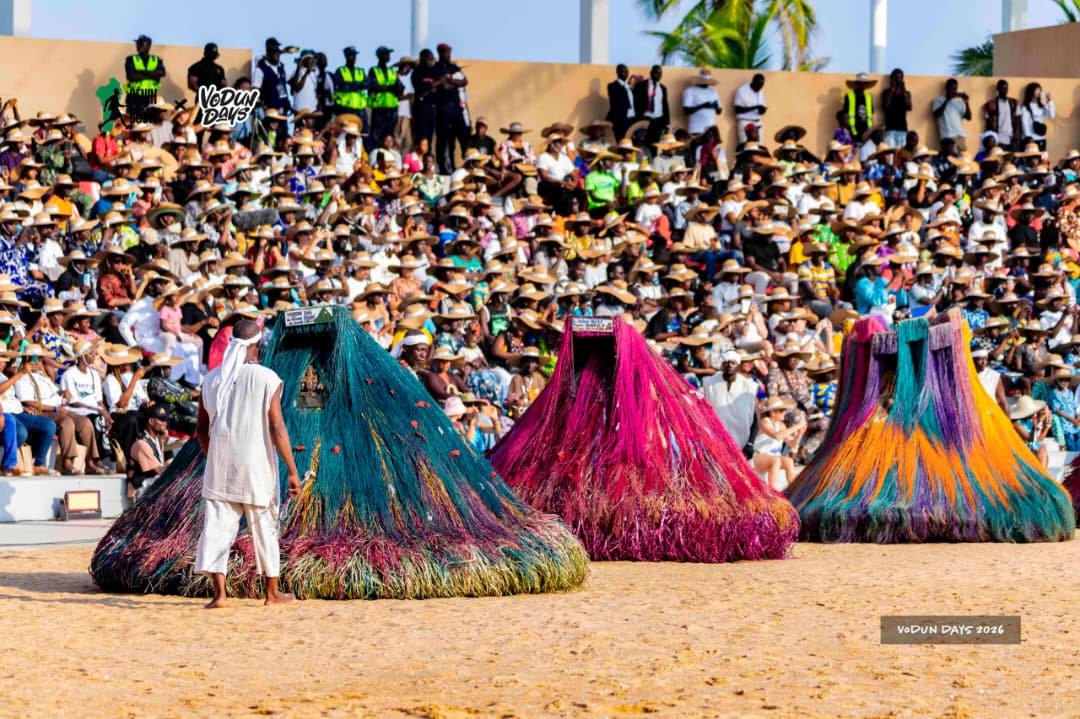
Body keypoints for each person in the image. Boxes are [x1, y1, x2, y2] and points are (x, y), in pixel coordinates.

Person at [195, 319, 300, 609]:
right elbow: (277, 427)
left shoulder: (212, 379)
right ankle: (272, 594)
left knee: (217, 529)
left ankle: (220, 595)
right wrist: (292, 470)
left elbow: (201, 429)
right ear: (255, 346)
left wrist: (212, 456)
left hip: (221, 466)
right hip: (255, 466)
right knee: (264, 526)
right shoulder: (267, 377)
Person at [702, 350, 758, 458]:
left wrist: (750, 443)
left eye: (733, 362)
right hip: (715, 443)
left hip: (741, 444)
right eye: (726, 362)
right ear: (722, 365)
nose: (729, 365)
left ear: (739, 366)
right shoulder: (708, 383)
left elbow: (756, 418)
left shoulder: (750, 386)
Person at [433, 43, 469, 174]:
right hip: (442, 108)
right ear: (440, 53)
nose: (448, 55)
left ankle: (468, 161)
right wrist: (446, 82)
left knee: (464, 135)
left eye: (449, 53)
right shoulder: (435, 68)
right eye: (446, 53)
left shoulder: (453, 67)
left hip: (456, 108)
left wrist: (450, 81)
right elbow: (438, 85)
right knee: (444, 139)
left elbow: (464, 81)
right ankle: (444, 166)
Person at [128, 402, 169, 498]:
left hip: (154, 488)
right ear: (151, 421)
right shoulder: (141, 444)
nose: (165, 423)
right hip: (143, 491)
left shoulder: (159, 440)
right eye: (161, 420)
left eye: (165, 420)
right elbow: (159, 470)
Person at [369, 46, 403, 153]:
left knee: (390, 134)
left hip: (391, 108)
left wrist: (386, 87)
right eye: (386, 54)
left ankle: (388, 155)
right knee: (377, 135)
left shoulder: (392, 72)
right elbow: (374, 86)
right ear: (380, 56)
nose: (388, 56)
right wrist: (390, 87)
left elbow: (400, 88)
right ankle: (376, 154)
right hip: (379, 108)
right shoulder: (374, 70)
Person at [124, 35, 165, 122]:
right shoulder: (131, 59)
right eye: (138, 44)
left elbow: (162, 73)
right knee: (134, 122)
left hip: (150, 96)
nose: (138, 46)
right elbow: (131, 75)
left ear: (148, 46)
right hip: (134, 96)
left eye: (141, 44)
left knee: (150, 122)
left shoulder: (156, 60)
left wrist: (140, 72)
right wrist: (152, 74)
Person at [252, 38, 291, 116]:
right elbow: (255, 91)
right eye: (274, 52)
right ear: (268, 52)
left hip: (283, 112)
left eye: (278, 52)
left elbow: (284, 87)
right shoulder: (261, 69)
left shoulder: (280, 69)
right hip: (269, 113)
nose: (277, 54)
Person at [633, 65, 669, 149]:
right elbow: (635, 103)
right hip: (644, 119)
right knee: (643, 143)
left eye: (659, 73)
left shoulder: (663, 88)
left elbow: (665, 106)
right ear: (651, 73)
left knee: (655, 145)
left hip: (658, 120)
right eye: (655, 72)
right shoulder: (641, 86)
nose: (657, 75)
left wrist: (667, 123)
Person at [932, 78, 971, 152]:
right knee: (950, 159)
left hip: (960, 135)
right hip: (947, 136)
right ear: (946, 88)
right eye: (951, 88)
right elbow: (936, 114)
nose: (953, 90)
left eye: (955, 88)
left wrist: (966, 102)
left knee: (961, 161)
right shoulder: (939, 100)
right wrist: (947, 100)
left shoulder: (960, 102)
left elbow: (969, 117)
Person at [982, 79, 1019, 151]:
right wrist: (989, 137)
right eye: (1002, 88)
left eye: (1006, 88)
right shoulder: (990, 104)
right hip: (998, 136)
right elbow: (988, 123)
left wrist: (1016, 133)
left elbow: (1017, 119)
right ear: (997, 89)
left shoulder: (1014, 103)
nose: (1004, 90)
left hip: (1011, 136)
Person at [682, 69, 721, 137]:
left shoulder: (713, 91)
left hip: (710, 129)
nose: (705, 83)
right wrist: (703, 106)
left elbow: (719, 111)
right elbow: (686, 111)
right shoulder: (690, 91)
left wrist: (715, 106)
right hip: (696, 129)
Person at [1019, 82, 1055, 152]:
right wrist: (1028, 138)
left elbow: (1052, 115)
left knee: (1042, 160)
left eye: (1040, 89)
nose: (1039, 91)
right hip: (1030, 139)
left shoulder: (1041, 106)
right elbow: (1024, 123)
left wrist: (1050, 101)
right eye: (1037, 89)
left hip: (1041, 138)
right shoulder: (1025, 107)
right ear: (1031, 91)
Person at [881, 69, 911, 149]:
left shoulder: (906, 93)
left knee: (901, 155)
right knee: (890, 155)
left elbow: (909, 107)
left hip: (903, 129)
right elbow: (885, 107)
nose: (898, 80)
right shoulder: (886, 93)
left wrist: (903, 91)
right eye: (896, 78)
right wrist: (892, 90)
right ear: (891, 79)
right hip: (890, 129)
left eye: (900, 78)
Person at [842, 73, 876, 141]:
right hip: (853, 130)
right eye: (860, 83)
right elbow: (845, 115)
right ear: (856, 84)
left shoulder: (869, 97)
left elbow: (871, 116)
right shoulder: (849, 96)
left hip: (867, 131)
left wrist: (872, 130)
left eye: (864, 83)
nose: (862, 85)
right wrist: (849, 130)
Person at [733, 74, 766, 144]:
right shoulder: (742, 91)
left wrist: (762, 109)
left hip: (757, 123)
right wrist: (755, 107)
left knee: (759, 147)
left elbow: (761, 111)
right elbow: (738, 109)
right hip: (745, 122)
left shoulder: (760, 92)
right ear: (753, 82)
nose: (760, 88)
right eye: (758, 85)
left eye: (761, 86)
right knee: (746, 147)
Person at [605, 64, 636, 141]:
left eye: (626, 71)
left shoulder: (627, 87)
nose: (625, 74)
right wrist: (628, 86)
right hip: (620, 120)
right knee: (621, 142)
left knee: (629, 143)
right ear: (617, 72)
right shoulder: (613, 86)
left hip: (631, 119)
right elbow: (616, 103)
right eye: (623, 71)